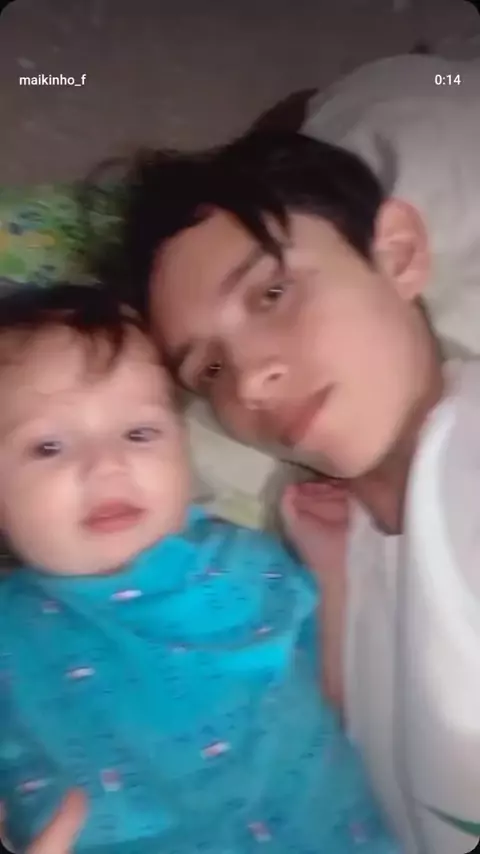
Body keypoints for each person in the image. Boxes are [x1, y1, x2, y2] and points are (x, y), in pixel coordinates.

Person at [87, 125, 480, 853]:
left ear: (396, 253)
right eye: (208, 370)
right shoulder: (314, 569)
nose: (249, 382)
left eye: (271, 293)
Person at [0, 283, 397, 854]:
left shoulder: (248, 564)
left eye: (140, 433)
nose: (109, 465)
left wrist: (330, 571)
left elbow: (331, 699)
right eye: (48, 447)